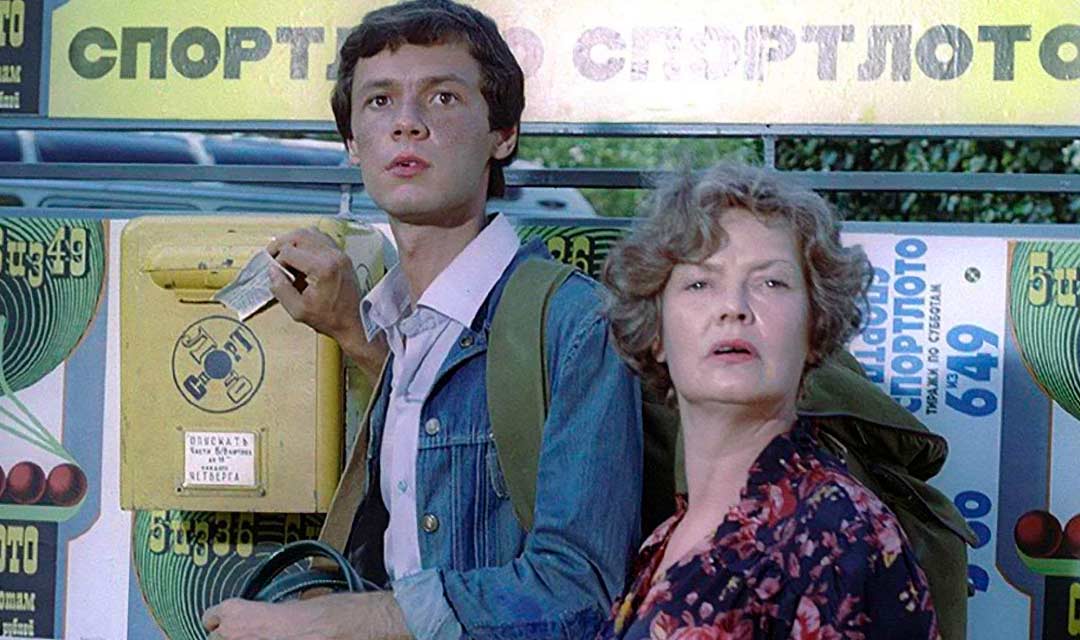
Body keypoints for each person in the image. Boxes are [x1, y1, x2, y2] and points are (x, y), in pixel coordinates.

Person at [202, 1, 642, 639]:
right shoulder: (394, 324)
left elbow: (580, 592)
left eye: (443, 98)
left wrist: (342, 621)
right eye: (379, 101)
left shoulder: (574, 325)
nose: (406, 123)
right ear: (352, 143)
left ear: (503, 134)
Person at [596, 163, 940, 639]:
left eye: (770, 283)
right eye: (700, 283)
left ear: (814, 330)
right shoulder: (664, 539)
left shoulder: (838, 533)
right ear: (656, 334)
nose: (733, 307)